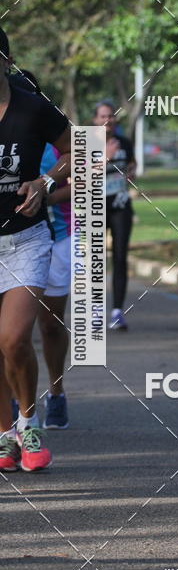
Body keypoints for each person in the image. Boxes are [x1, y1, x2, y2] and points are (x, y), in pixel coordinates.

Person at [0, 29, 71, 472]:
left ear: (5, 60)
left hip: (26, 238)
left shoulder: (32, 107)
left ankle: (29, 421)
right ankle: (4, 434)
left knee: (13, 338)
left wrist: (45, 183)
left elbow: (80, 149)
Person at [20, 71, 71, 429]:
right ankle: (16, 409)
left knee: (50, 324)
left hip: (57, 236)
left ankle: (56, 392)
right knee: (14, 333)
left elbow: (83, 178)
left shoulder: (52, 135)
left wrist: (44, 192)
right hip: (14, 241)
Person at [93, 100, 135, 331]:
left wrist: (130, 174)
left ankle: (117, 312)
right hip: (95, 207)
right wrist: (105, 158)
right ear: (95, 120)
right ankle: (96, 312)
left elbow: (131, 165)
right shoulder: (87, 144)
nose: (107, 120)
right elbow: (79, 176)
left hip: (120, 206)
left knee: (120, 258)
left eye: (111, 116)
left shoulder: (125, 143)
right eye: (102, 116)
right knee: (97, 261)